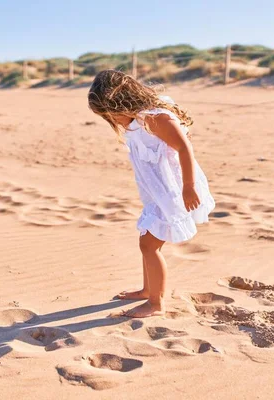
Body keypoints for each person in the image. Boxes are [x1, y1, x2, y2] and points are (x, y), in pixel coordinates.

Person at [88, 70, 215, 317]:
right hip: (156, 193)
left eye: (111, 113)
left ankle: (156, 303)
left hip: (173, 192)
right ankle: (148, 290)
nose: (111, 119)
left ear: (121, 102)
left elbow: (184, 149)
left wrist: (188, 187)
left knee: (149, 245)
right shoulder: (135, 123)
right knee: (146, 242)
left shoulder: (154, 119)